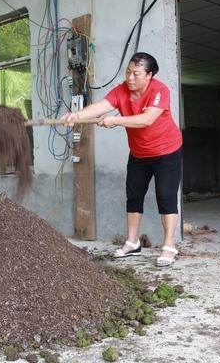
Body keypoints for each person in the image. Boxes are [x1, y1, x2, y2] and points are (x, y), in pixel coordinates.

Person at [64, 52, 182, 267]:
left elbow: (147, 119)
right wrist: (77, 116)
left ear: (149, 75)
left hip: (166, 152)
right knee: (133, 196)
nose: (129, 77)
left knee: (166, 196)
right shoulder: (121, 91)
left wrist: (117, 121)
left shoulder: (159, 90)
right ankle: (132, 242)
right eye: (128, 72)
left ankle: (169, 245)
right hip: (139, 153)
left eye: (136, 74)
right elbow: (100, 107)